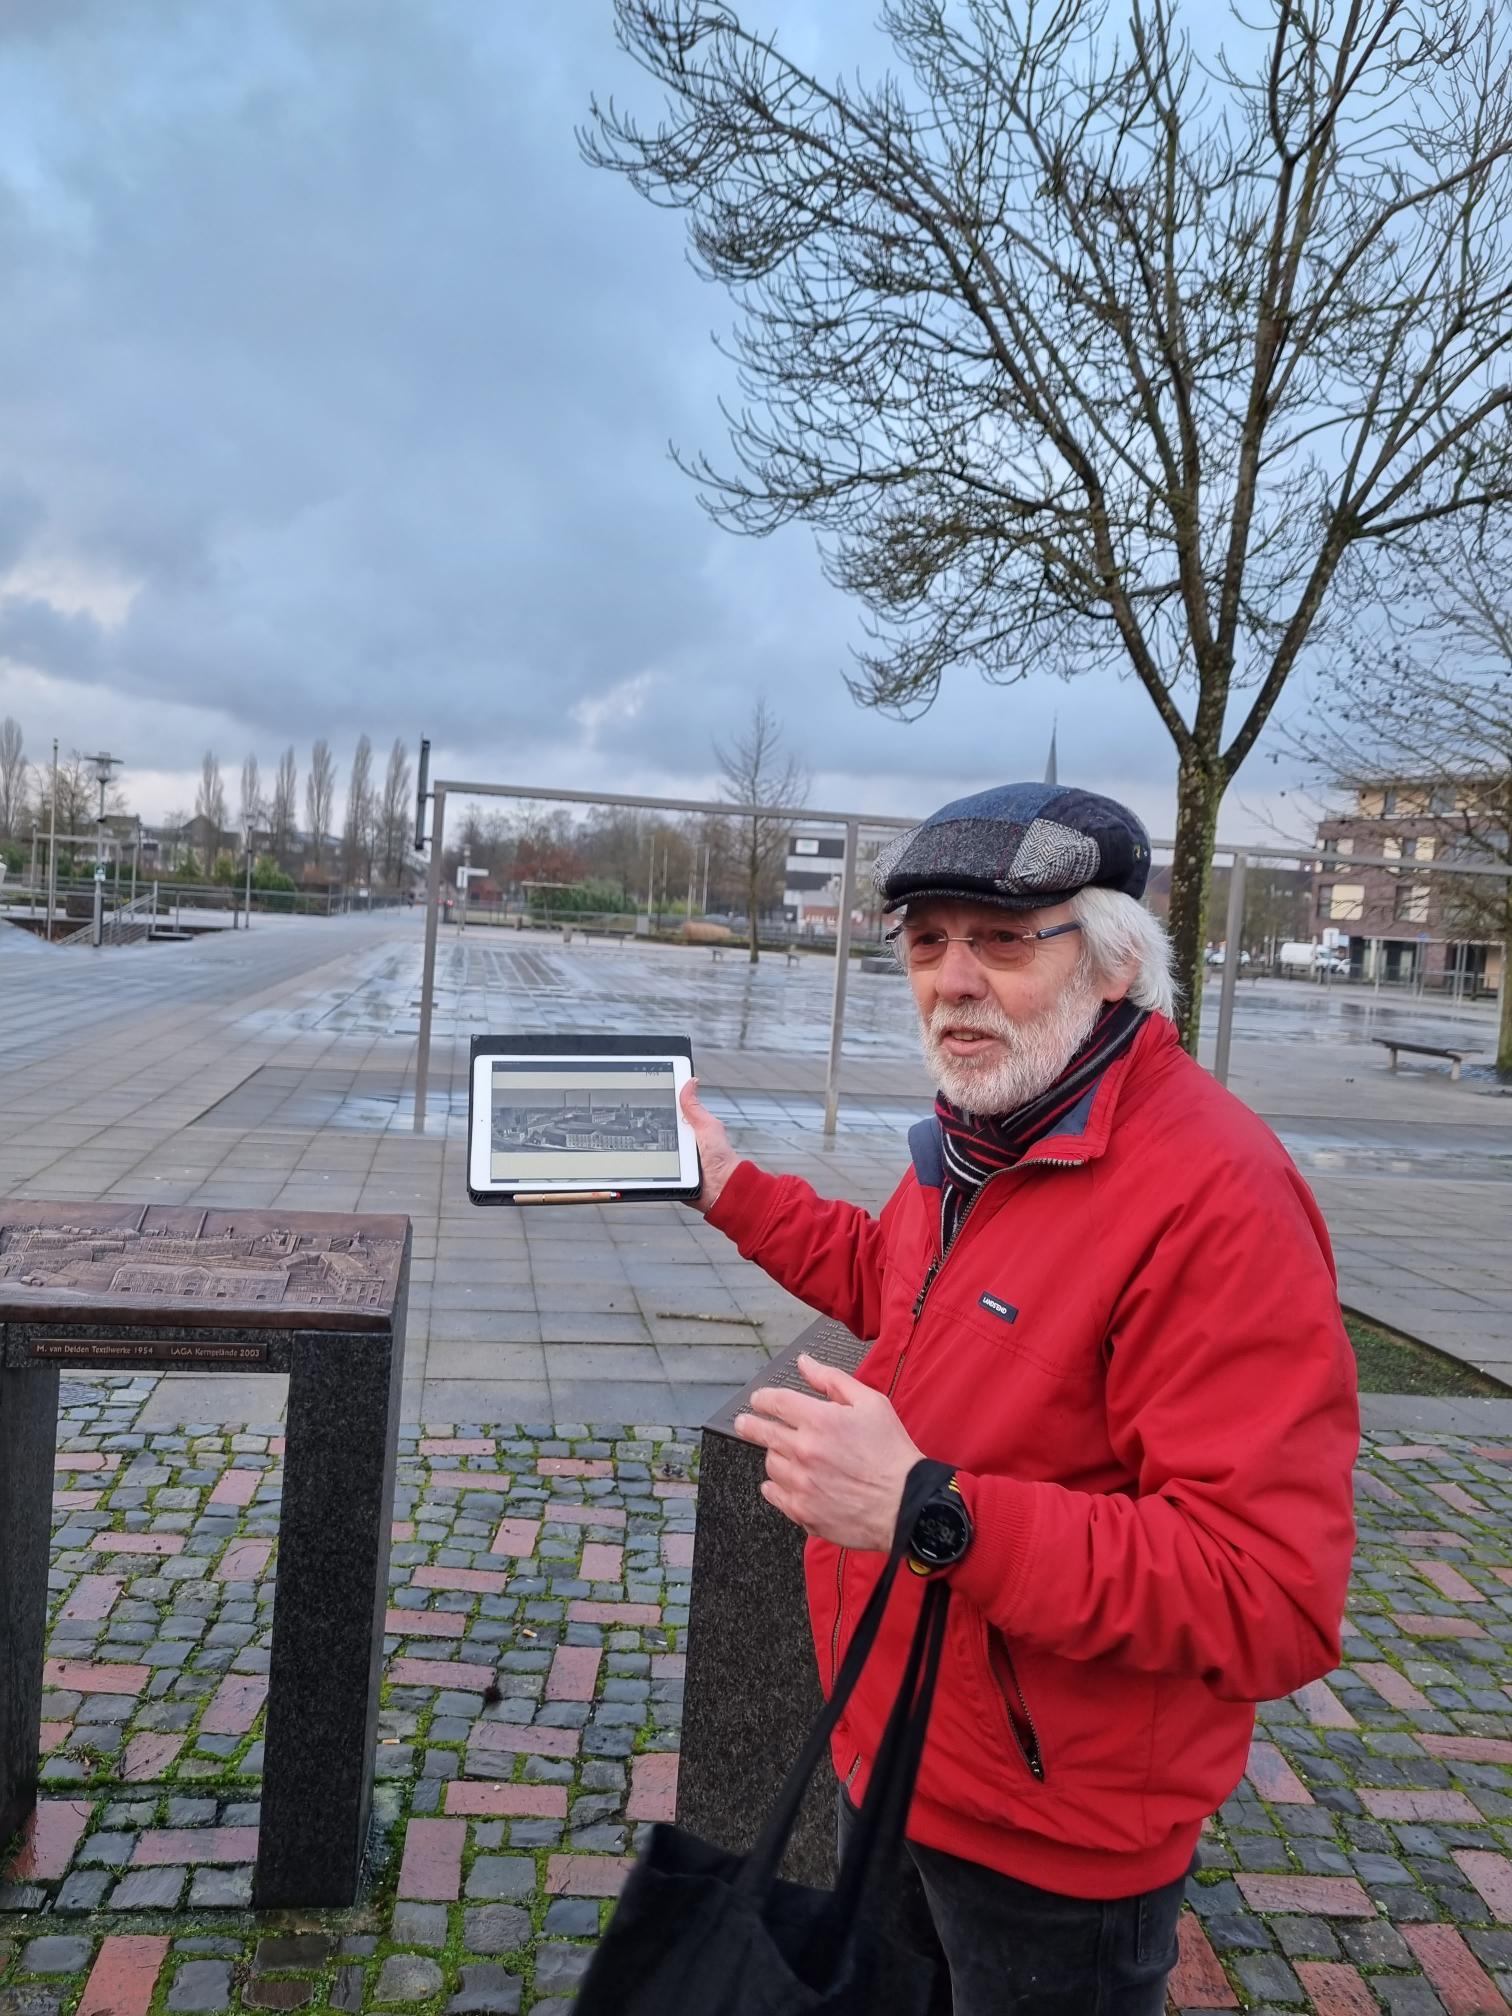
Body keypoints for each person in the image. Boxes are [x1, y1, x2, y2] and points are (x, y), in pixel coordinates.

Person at [678, 781, 1358, 2016]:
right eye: (928, 943)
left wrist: (929, 1511)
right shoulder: (985, 1134)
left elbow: (1270, 1594)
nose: (953, 981)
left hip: (1057, 1840)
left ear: (1111, 963)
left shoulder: (1216, 1198)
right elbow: (896, 1285)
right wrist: (725, 1185)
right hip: (890, 1755)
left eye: (1003, 941)